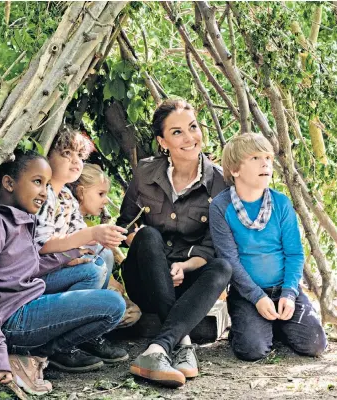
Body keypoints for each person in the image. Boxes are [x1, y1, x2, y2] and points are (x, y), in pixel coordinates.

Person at [0, 151, 126, 396]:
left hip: (27, 299)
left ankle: (33, 354)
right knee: (114, 305)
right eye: (38, 182)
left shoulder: (20, 218)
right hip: (12, 320)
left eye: (47, 185)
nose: (43, 192)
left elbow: (25, 266)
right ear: (9, 183)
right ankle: (35, 354)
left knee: (91, 268)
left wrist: (69, 257)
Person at [117, 99, 232, 388]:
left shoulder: (220, 183)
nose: (190, 137)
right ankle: (182, 342)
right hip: (146, 279)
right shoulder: (144, 174)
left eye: (193, 127)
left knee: (222, 267)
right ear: (162, 141)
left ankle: (159, 349)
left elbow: (212, 245)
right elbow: (125, 225)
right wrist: (146, 248)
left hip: (188, 281)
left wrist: (184, 265)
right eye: (177, 132)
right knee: (148, 235)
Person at [209, 133, 327, 361]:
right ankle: (250, 327)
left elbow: (294, 253)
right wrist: (256, 297)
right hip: (247, 294)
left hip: (284, 290)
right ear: (235, 170)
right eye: (255, 158)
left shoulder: (281, 203)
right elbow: (230, 260)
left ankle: (278, 324)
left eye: (268, 158)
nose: (265, 163)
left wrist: (290, 293)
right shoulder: (221, 207)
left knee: (315, 345)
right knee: (252, 351)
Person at [36, 128, 129, 366]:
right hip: (42, 275)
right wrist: (78, 246)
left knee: (103, 253)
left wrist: (103, 237)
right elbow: (41, 244)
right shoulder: (43, 194)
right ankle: (63, 344)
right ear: (47, 156)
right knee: (93, 270)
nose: (75, 161)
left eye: (80, 156)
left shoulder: (66, 196)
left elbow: (81, 236)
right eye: (67, 153)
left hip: (61, 267)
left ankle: (85, 334)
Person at [70, 163, 142, 328]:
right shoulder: (69, 224)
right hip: (72, 291)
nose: (106, 201)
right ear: (81, 192)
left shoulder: (86, 223)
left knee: (132, 311)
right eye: (101, 194)